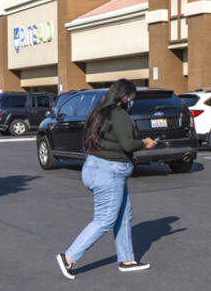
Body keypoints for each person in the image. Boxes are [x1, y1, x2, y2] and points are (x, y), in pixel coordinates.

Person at [56, 79, 156, 278]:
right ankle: (68, 257)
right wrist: (145, 142)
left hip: (97, 167)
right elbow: (128, 145)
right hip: (110, 172)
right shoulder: (119, 115)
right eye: (131, 97)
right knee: (105, 220)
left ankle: (127, 260)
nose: (131, 101)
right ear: (125, 97)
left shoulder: (99, 111)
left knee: (124, 215)